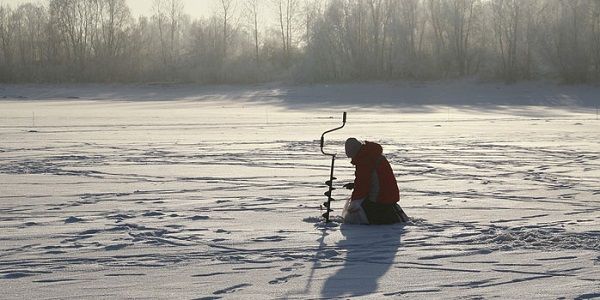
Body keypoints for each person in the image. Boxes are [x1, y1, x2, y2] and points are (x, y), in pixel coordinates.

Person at [342, 138, 409, 225]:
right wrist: (355, 185)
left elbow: (363, 186)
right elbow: (372, 179)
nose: (351, 158)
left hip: (381, 198)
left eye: (350, 155)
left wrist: (354, 204)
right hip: (391, 195)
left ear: (354, 151)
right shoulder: (372, 155)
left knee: (360, 210)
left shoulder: (364, 160)